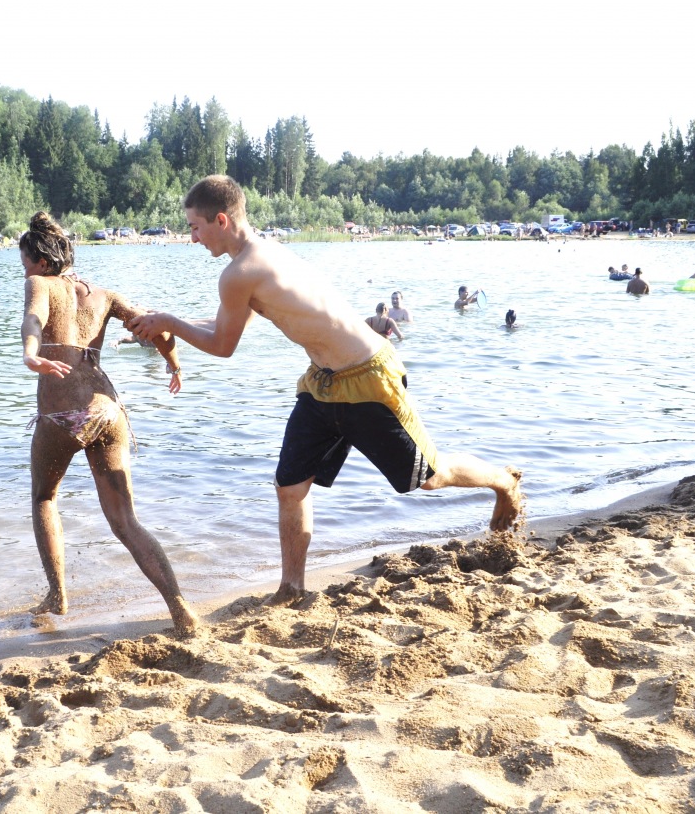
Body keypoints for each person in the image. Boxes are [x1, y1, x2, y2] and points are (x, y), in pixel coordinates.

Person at [127, 176, 523, 605]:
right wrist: (169, 320)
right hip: (323, 384)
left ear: (220, 220)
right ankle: (291, 587)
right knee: (291, 485)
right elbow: (230, 323)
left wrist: (171, 323)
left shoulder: (239, 272)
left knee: (429, 477)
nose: (192, 238)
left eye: (195, 227)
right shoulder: (259, 255)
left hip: (369, 378)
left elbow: (223, 346)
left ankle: (503, 481)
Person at [19, 211, 198, 635]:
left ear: (42, 261)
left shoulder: (41, 284)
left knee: (44, 498)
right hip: (107, 411)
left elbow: (34, 318)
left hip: (61, 415)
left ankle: (58, 595)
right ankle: (180, 608)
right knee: (126, 522)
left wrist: (30, 353)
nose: (24, 270)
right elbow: (155, 328)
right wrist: (174, 364)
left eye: (24, 262)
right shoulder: (104, 295)